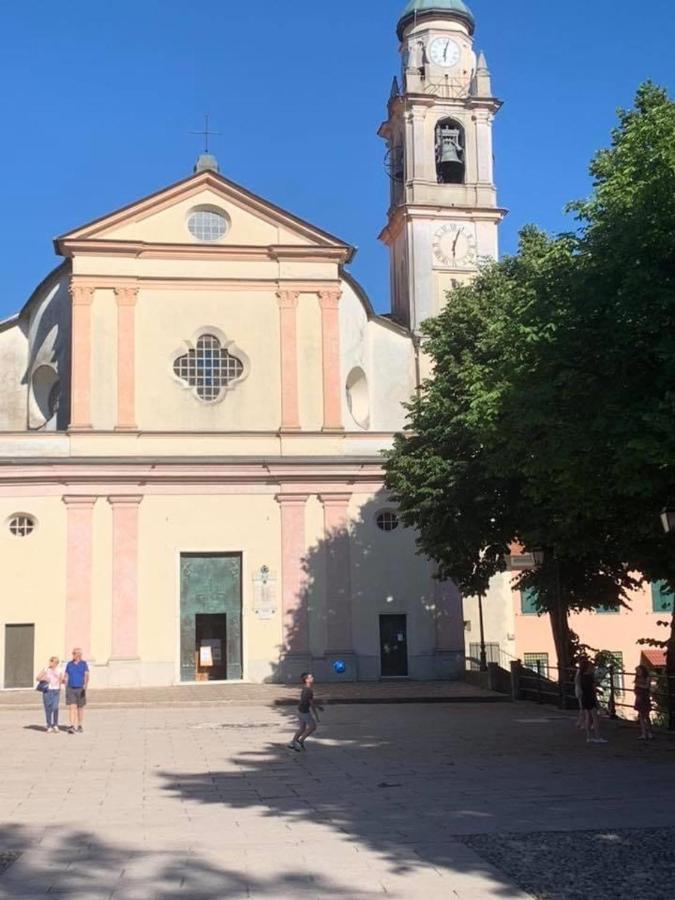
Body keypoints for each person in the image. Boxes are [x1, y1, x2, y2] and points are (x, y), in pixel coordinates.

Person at [288, 672, 321, 752]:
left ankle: (293, 742)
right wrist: (317, 716)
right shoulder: (309, 690)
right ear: (306, 680)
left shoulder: (305, 688)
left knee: (302, 728)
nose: (313, 678)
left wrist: (318, 707)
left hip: (300, 710)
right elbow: (311, 704)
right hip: (304, 712)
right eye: (311, 677)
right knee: (313, 727)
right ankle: (300, 741)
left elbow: (309, 701)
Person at [579, 657, 607, 744]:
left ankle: (588, 737)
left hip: (585, 697)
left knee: (587, 717)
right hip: (591, 697)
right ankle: (598, 736)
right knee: (594, 718)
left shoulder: (581, 676)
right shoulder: (590, 677)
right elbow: (593, 689)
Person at [64, 647, 89, 735]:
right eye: (73, 653)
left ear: (79, 655)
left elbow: (86, 675)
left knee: (80, 708)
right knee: (72, 707)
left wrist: (85, 686)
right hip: (71, 688)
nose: (73, 655)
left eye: (74, 653)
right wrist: (65, 684)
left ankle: (79, 725)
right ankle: (72, 725)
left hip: (80, 688)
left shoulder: (84, 664)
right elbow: (66, 675)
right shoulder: (69, 664)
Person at [36, 656, 63, 733]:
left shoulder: (59, 670)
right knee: (48, 708)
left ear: (56, 663)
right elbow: (37, 678)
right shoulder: (46, 669)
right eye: (50, 661)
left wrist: (60, 686)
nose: (50, 662)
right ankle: (49, 725)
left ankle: (55, 725)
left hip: (55, 690)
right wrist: (43, 678)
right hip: (47, 690)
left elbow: (61, 679)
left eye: (52, 661)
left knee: (55, 707)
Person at [634, 665, 654, 741]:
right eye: (637, 671)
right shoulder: (637, 678)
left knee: (646, 715)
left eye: (639, 671)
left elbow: (647, 686)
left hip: (645, 698)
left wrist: (639, 685)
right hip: (639, 698)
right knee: (641, 716)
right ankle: (643, 733)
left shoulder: (647, 677)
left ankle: (649, 732)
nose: (638, 672)